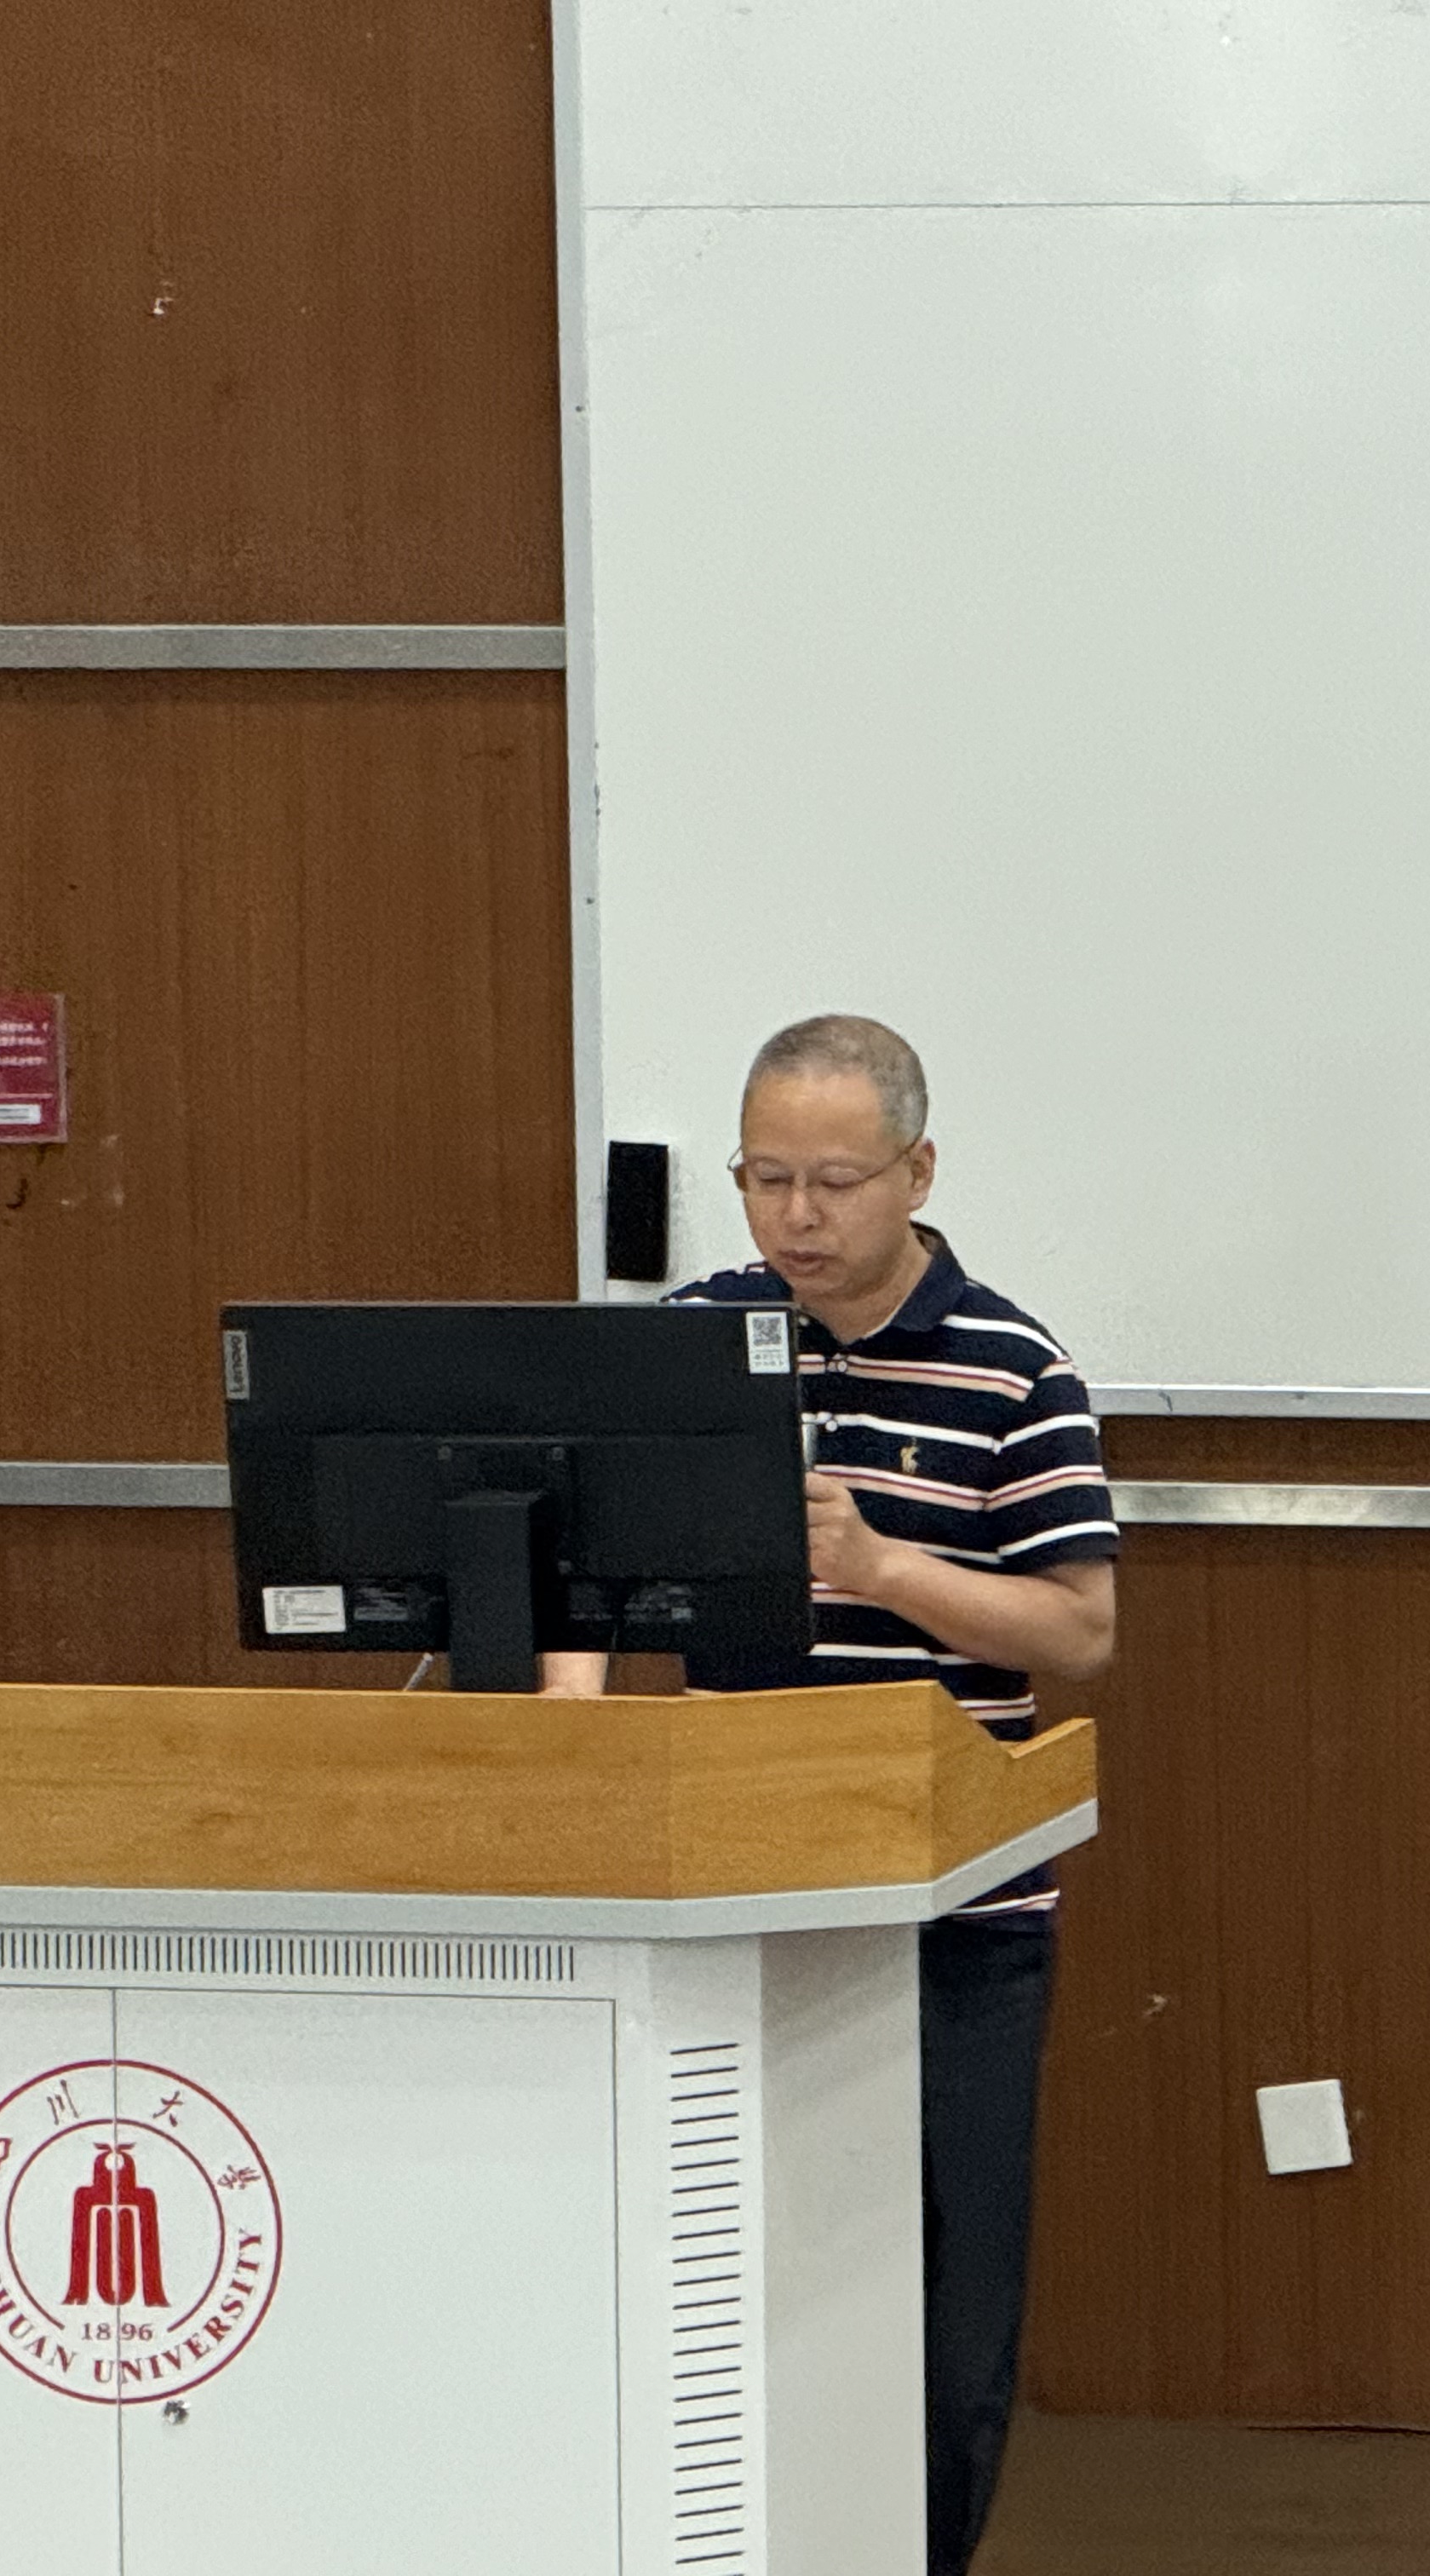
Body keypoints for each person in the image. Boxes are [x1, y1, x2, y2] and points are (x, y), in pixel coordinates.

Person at [544, 1012, 1118, 2576]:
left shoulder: (1016, 1367)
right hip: (729, 1900)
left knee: (940, 2308)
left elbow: (1078, 1632)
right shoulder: (689, 1343)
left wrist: (881, 1567)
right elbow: (586, 1569)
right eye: (766, 1180)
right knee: (723, 2276)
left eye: (836, 1183)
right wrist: (570, 1711)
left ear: (918, 1173)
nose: (797, 1218)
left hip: (954, 1924)